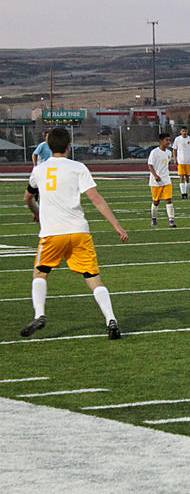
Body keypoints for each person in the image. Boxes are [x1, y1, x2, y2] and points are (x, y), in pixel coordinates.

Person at [21, 127, 128, 340]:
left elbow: (27, 197)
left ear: (48, 146)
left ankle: (40, 314)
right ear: (69, 145)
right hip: (79, 231)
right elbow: (95, 198)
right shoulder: (78, 167)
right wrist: (116, 225)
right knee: (93, 278)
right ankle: (110, 319)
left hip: (52, 233)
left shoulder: (39, 170)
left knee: (40, 273)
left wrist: (36, 213)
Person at [147, 133, 176, 228]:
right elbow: (150, 165)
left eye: (169, 140)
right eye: (166, 140)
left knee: (168, 200)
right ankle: (154, 218)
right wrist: (155, 175)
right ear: (161, 141)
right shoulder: (154, 152)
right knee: (156, 201)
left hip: (166, 179)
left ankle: (171, 220)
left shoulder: (169, 153)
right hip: (156, 181)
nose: (168, 142)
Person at [172, 126, 190, 199]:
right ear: (180, 132)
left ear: (187, 131)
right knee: (181, 176)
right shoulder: (177, 139)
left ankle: (186, 192)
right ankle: (183, 193)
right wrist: (174, 159)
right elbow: (174, 149)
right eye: (183, 131)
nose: (184, 132)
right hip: (180, 161)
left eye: (185, 131)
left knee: (187, 177)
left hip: (188, 161)